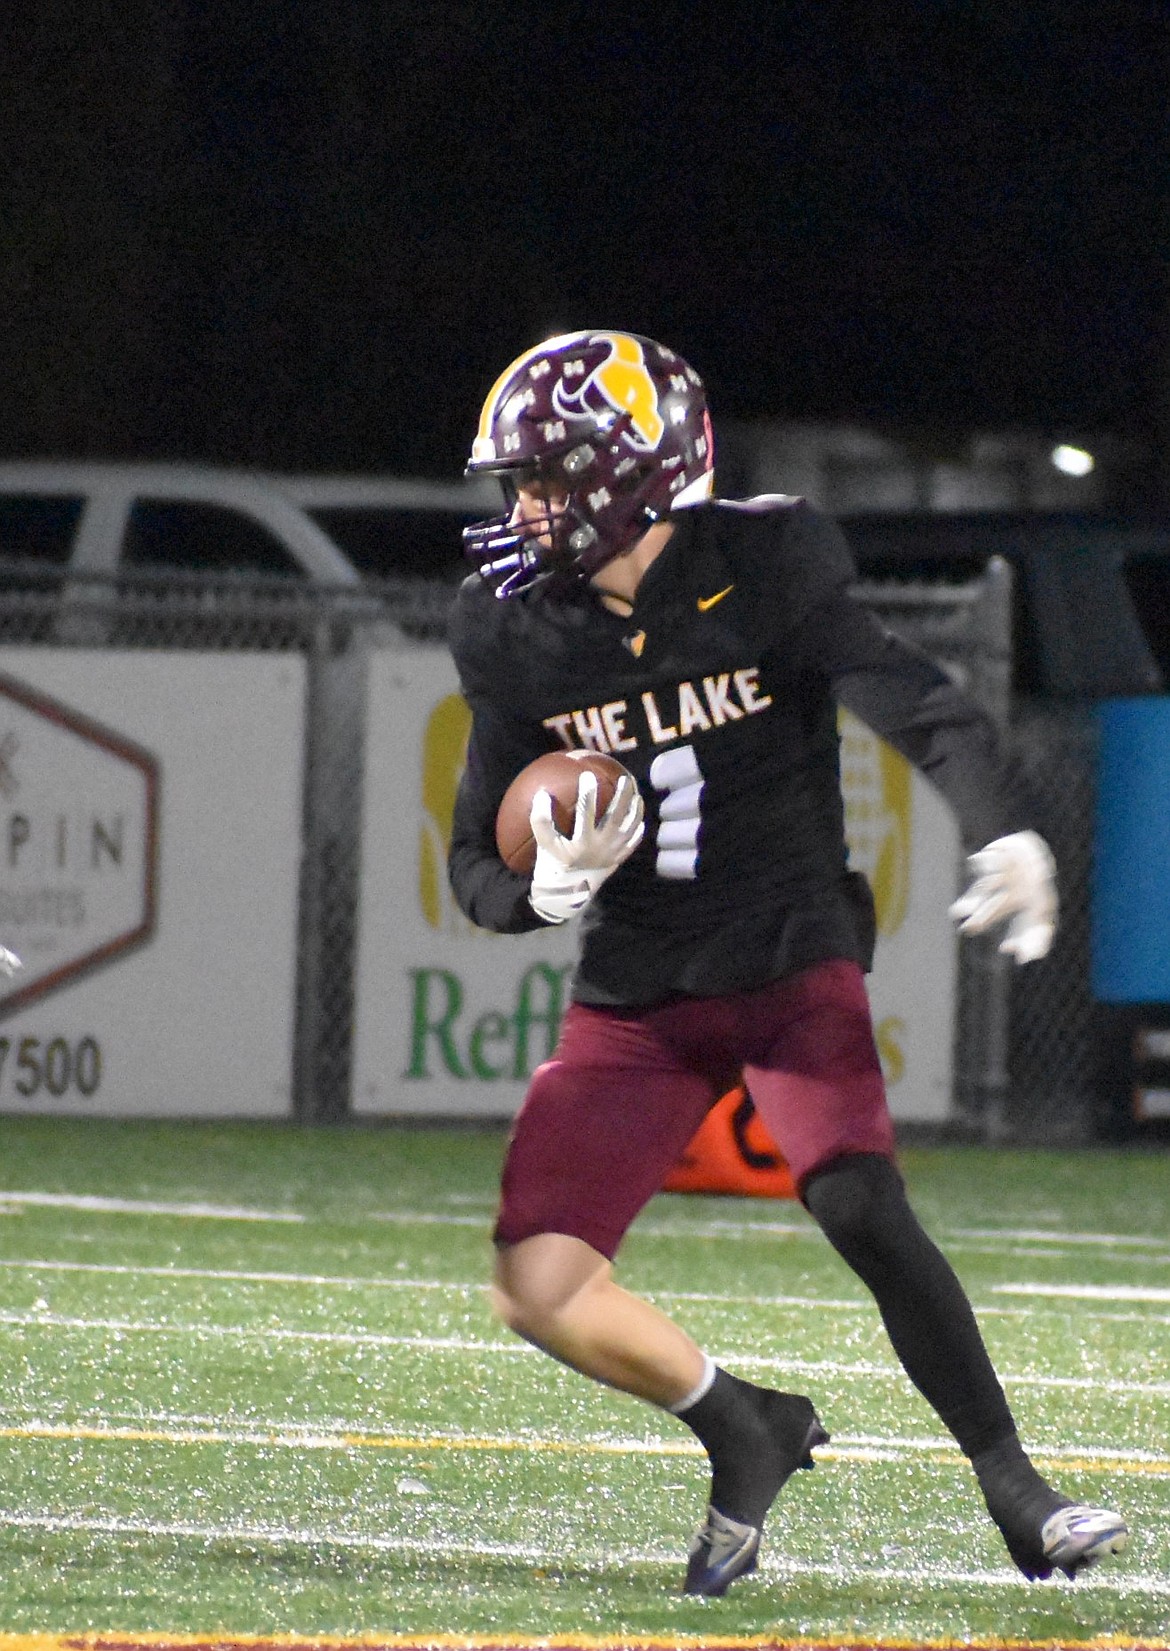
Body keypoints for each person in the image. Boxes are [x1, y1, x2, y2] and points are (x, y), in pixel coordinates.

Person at [445, 329, 1128, 1597]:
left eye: (545, 477)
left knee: (858, 1201)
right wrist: (540, 892)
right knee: (536, 1283)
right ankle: (741, 1424)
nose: (522, 507)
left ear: (629, 474)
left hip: (785, 947)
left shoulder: (762, 564)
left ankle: (1017, 1489)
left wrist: (1005, 827)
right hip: (639, 990)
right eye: (519, 481)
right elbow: (471, 868)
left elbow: (921, 700)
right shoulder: (513, 629)